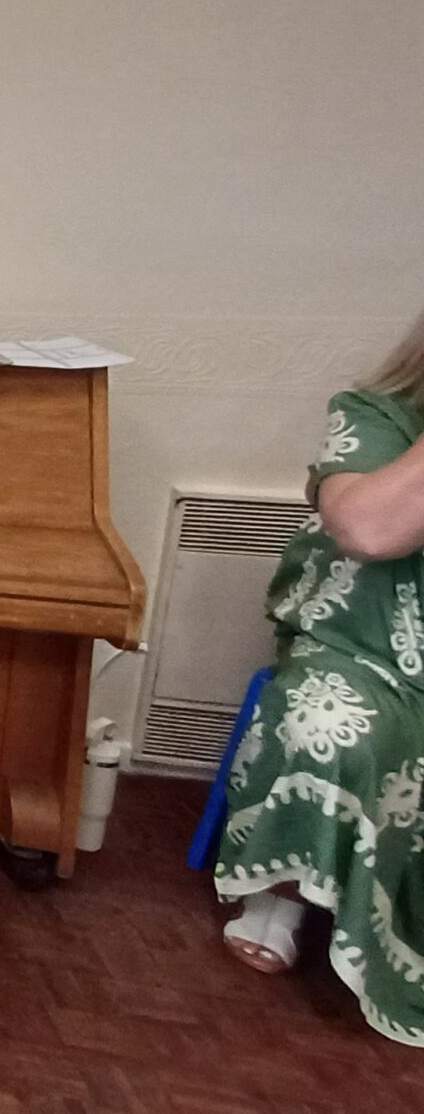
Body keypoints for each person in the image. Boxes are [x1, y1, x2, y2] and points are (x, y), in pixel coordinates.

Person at [214, 305, 424, 1046]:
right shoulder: (376, 415)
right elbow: (369, 529)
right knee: (326, 718)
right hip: (366, 654)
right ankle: (282, 893)